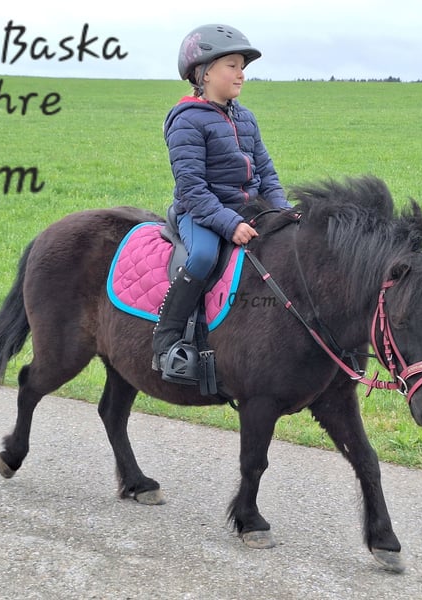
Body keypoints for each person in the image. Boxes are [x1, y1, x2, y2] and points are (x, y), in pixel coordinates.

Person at [152, 23, 291, 376]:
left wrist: (283, 211)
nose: (241, 74)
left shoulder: (246, 117)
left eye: (242, 66)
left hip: (248, 210)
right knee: (202, 256)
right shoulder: (187, 121)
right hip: (199, 213)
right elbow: (192, 189)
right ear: (204, 72)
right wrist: (230, 224)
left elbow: (267, 173)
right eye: (232, 65)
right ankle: (168, 342)